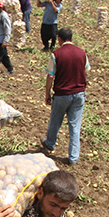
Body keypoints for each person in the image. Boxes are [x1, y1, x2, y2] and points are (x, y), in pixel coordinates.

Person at [41, 27, 90, 165]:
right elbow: (87, 70)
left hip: (62, 94)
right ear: (71, 38)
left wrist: (47, 93)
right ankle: (73, 157)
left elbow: (50, 75)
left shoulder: (56, 54)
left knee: (55, 120)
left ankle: (50, 143)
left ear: (60, 39)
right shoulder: (82, 53)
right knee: (75, 126)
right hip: (79, 93)